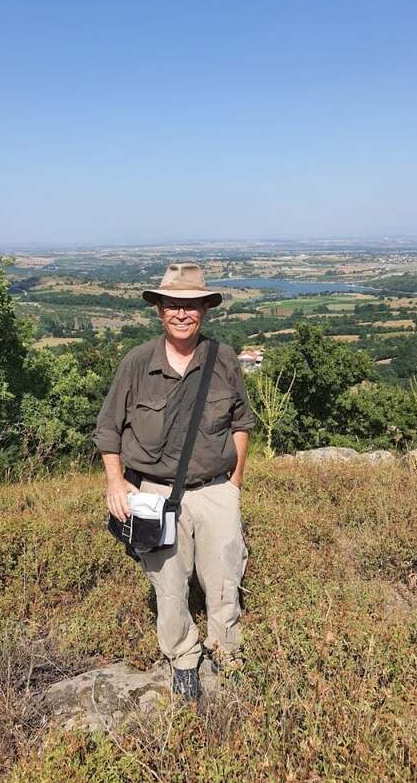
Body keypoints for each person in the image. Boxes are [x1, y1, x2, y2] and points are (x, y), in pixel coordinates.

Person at [92, 262, 255, 701]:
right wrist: (115, 482)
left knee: (224, 580)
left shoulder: (222, 359)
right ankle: (183, 656)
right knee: (169, 583)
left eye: (191, 305)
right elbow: (108, 429)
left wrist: (234, 484)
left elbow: (241, 423)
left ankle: (226, 650)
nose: (181, 313)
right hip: (156, 494)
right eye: (172, 305)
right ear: (159, 310)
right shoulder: (137, 364)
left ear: (204, 308)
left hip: (217, 489)